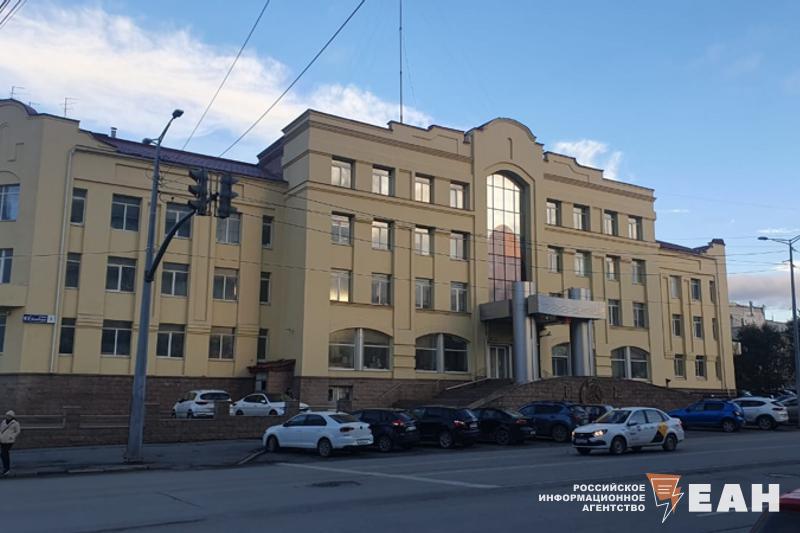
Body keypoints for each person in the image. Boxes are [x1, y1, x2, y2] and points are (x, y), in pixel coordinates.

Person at [0, 410, 21, 476]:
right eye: (7, 415)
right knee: (3, 454)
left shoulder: (15, 423)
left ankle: (6, 469)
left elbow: (18, 431)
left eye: (9, 416)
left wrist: (12, 436)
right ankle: (6, 468)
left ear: (12, 416)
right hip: (2, 439)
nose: (8, 416)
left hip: (9, 441)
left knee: (4, 453)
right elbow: (1, 429)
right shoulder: (3, 421)